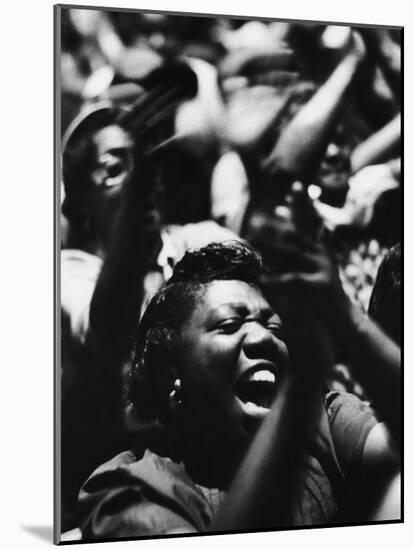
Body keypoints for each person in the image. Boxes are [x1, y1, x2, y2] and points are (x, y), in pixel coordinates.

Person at [77, 231, 400, 538]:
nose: (263, 338)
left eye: (274, 327)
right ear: (170, 370)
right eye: (230, 324)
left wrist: (347, 320)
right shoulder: (126, 488)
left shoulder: (323, 422)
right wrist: (299, 387)